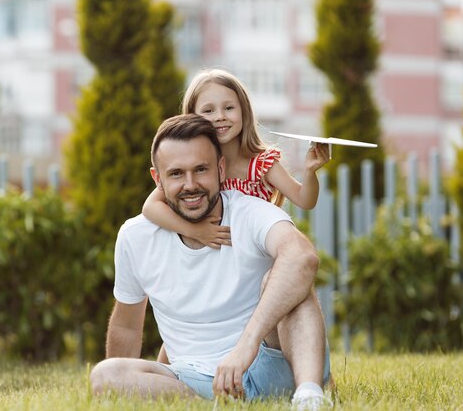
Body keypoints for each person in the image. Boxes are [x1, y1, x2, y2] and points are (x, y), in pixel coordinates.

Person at [89, 114, 332, 411]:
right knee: (106, 375)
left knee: (287, 279)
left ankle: (309, 397)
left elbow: (303, 257)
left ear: (220, 169)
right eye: (176, 174)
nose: (190, 185)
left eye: (201, 169)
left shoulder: (249, 212)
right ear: (158, 179)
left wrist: (246, 346)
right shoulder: (136, 236)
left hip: (270, 367)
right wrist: (121, 391)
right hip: (191, 382)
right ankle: (212, 406)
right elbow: (126, 327)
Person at [143, 68, 330, 250]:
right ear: (192, 117)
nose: (220, 117)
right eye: (208, 111)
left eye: (229, 108)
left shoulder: (261, 164)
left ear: (243, 111)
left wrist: (310, 171)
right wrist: (196, 231)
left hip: (253, 256)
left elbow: (305, 200)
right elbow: (150, 207)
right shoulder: (192, 168)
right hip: (211, 257)